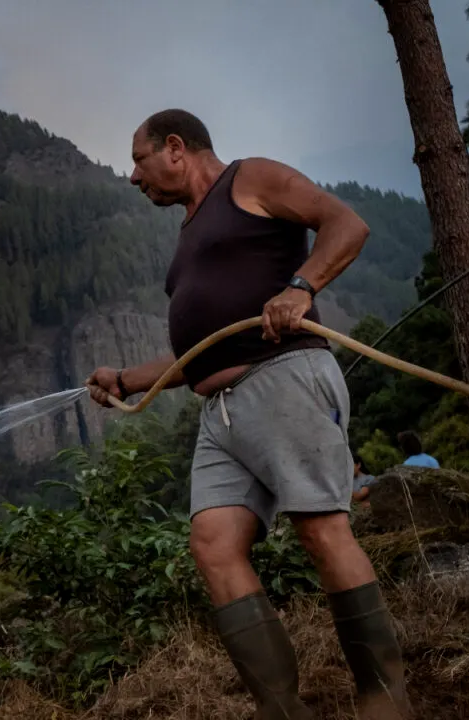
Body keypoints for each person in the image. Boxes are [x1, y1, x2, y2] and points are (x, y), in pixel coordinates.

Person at [86, 109, 411, 719]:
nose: (133, 177)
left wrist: (300, 288)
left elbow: (347, 224)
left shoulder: (250, 179)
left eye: (138, 160)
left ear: (175, 148)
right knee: (212, 545)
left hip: (283, 377)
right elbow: (201, 351)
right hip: (221, 413)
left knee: (321, 529)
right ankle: (281, 711)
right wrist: (125, 380)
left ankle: (385, 701)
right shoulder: (188, 235)